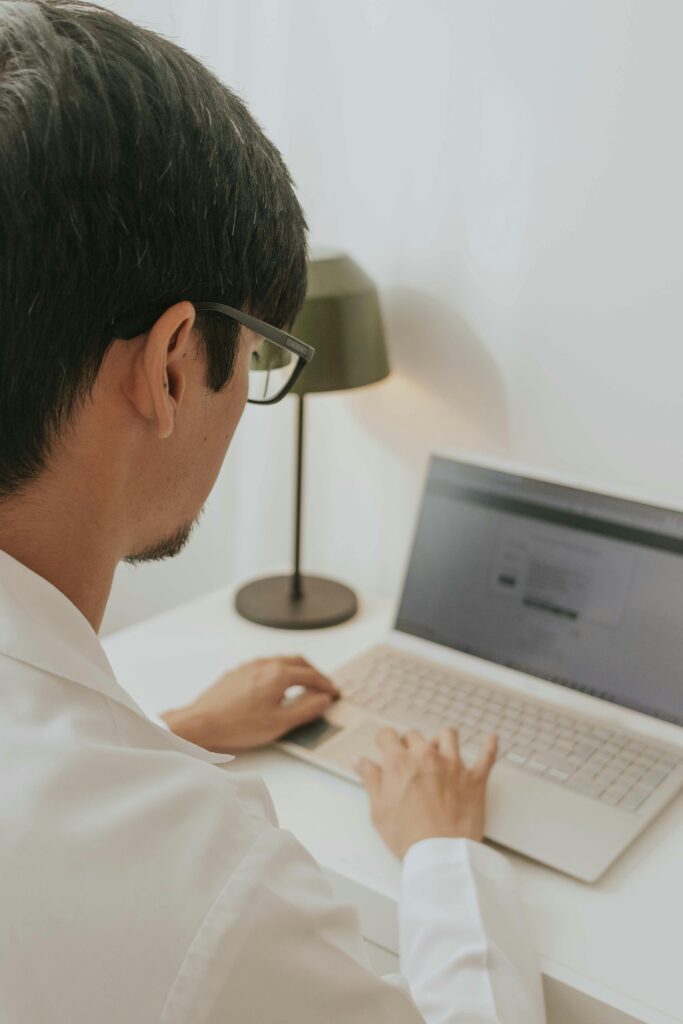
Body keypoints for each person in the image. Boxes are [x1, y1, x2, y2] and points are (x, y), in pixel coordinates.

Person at [0, 2, 546, 1021]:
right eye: (254, 359)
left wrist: (169, 730)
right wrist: (440, 853)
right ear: (170, 368)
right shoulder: (204, 883)